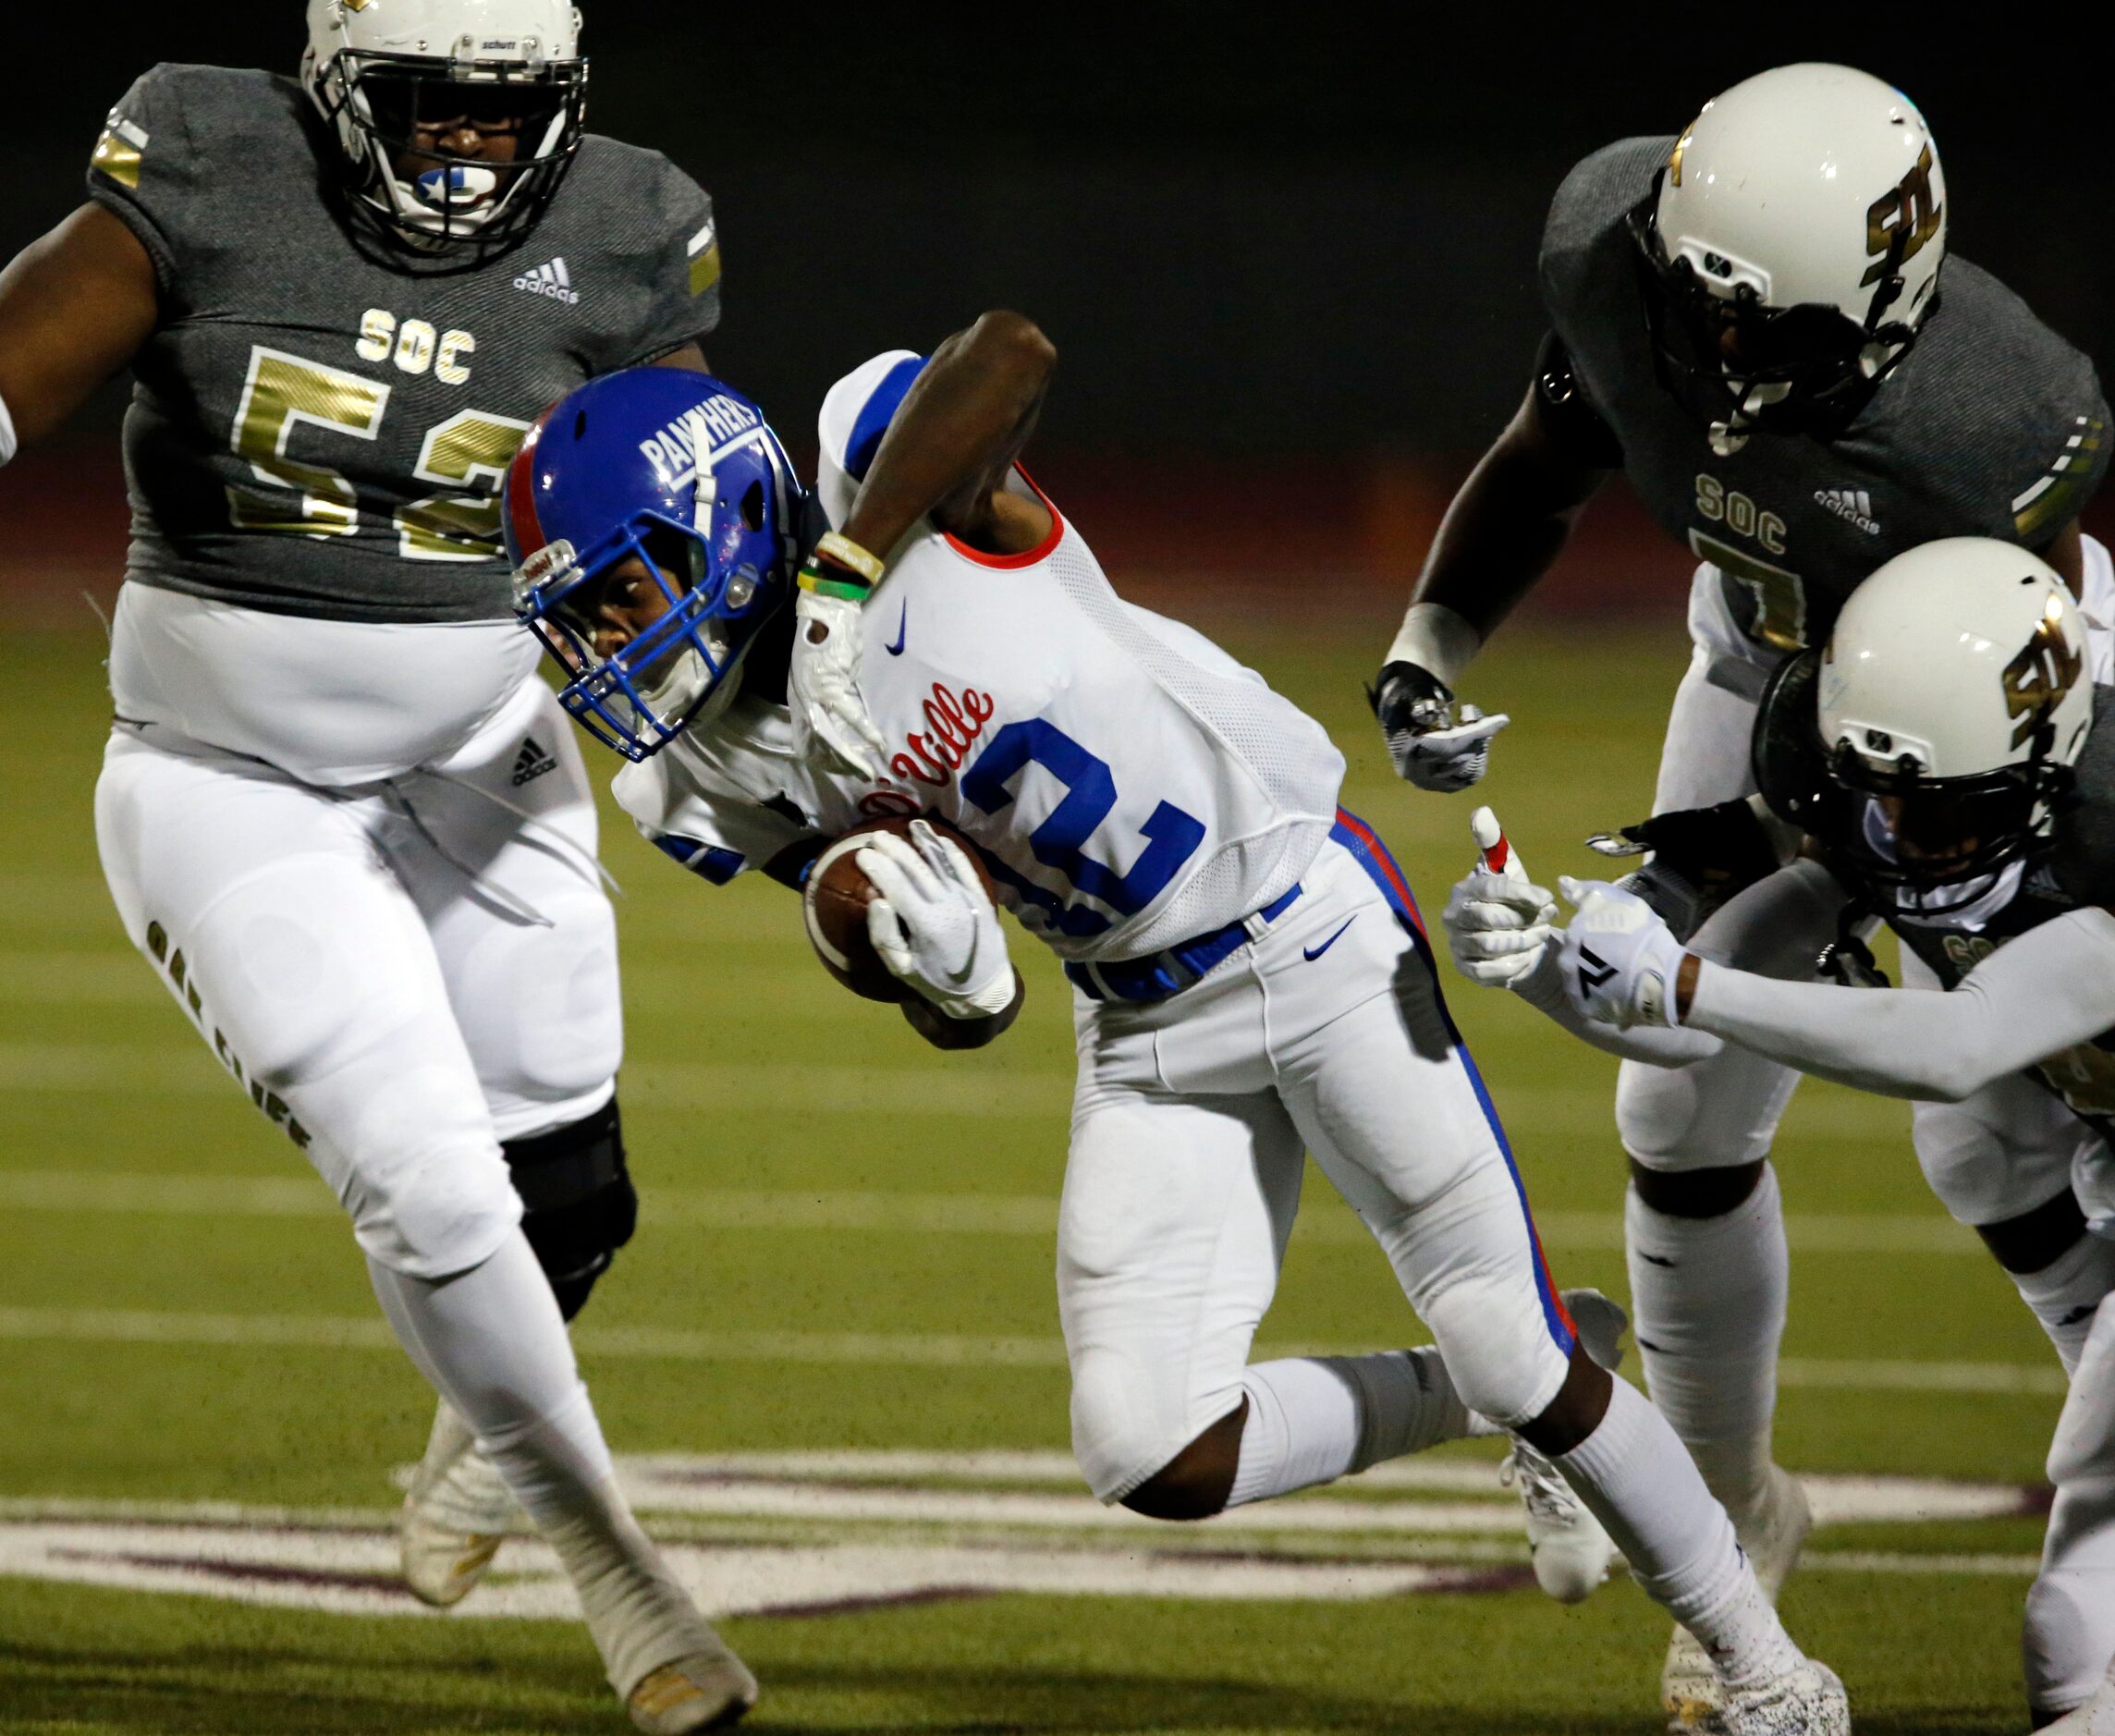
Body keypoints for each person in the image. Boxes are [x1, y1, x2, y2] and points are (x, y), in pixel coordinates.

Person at [498, 317, 1852, 1733]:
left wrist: (847, 567)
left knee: (1516, 1348)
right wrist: (916, 960)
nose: (604, 649)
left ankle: (1764, 1666)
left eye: (614, 596)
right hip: (1140, 1023)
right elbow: (872, 926)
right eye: (579, 621)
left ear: (713, 514)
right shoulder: (697, 766)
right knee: (1154, 1448)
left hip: (1309, 924)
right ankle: (1502, 1390)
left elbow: (1014, 351)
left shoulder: (878, 481)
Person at [0, 4, 750, 1728]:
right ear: (333, 87)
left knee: (573, 1199)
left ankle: (485, 1421)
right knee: (438, 1188)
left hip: (484, 751)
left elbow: (665, 478)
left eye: (505, 111)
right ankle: (631, 1582)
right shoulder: (217, 151)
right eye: (430, 106)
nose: (471, 144)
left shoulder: (628, 223)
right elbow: (26, 343)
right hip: (225, 778)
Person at [1363, 59, 2109, 1724]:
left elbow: (1970, 719)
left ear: (1885, 310)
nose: (1713, 356)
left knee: (1997, 1123)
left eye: (1762, 325)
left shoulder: (1985, 441)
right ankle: (1728, 1532)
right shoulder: (1639, 269)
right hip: (1769, 670)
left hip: (1963, 710)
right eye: (1701, 305)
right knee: (1675, 1108)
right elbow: (1555, 443)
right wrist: (1430, 645)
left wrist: (1731, 893)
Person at [1444, 538, 2115, 1730]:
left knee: (2076, 1647)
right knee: (2073, 1650)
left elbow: (1955, 1043)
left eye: (1939, 805)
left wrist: (1685, 988)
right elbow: (1695, 1032)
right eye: (1882, 795)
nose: (1902, 832)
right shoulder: (1895, 788)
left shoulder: (2107, 836)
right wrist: (1553, 971)